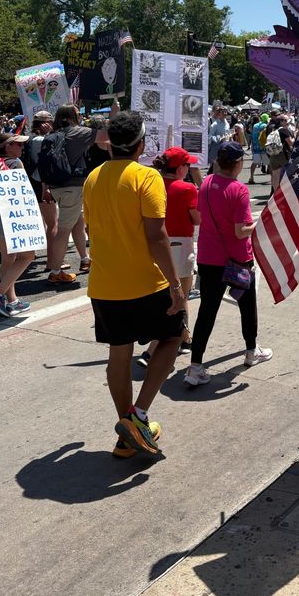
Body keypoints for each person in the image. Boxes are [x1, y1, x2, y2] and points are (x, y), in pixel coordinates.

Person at [83, 111, 186, 458]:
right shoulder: (147, 177)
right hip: (147, 282)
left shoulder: (93, 177)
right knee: (173, 337)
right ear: (141, 144)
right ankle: (138, 417)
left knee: (119, 354)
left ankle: (127, 430)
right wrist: (176, 285)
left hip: (104, 284)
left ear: (110, 143)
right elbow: (157, 236)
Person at [184, 141, 272, 386]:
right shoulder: (239, 189)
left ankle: (195, 366)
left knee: (207, 311)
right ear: (237, 164)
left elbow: (201, 217)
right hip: (237, 259)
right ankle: (251, 351)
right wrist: (260, 222)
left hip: (209, 258)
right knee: (247, 306)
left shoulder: (206, 184)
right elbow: (241, 231)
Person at [136, 146, 201, 367]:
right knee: (180, 296)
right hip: (180, 244)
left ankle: (185, 337)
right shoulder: (187, 189)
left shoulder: (149, 184)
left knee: (170, 295)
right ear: (180, 167)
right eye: (188, 165)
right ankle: (152, 349)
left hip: (154, 244)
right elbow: (196, 219)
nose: (190, 168)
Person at [0, 132, 37, 318]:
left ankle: (12, 301)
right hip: (9, 218)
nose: (22, 148)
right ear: (8, 146)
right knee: (28, 256)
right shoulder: (15, 164)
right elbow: (21, 194)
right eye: (18, 145)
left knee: (8, 259)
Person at [43, 104, 96, 286]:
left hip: (56, 185)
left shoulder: (51, 135)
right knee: (63, 229)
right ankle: (56, 271)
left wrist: (46, 188)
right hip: (72, 187)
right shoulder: (78, 132)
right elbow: (106, 136)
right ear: (73, 115)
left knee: (78, 223)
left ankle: (85, 259)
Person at [23, 110, 59, 269]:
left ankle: (26, 258)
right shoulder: (40, 140)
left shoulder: (28, 139)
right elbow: (43, 168)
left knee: (38, 222)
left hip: (30, 185)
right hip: (40, 185)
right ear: (46, 123)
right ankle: (53, 262)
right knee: (53, 224)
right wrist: (47, 188)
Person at [207, 105, 231, 172]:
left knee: (224, 167)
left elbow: (228, 134)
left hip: (225, 147)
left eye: (226, 112)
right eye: (223, 112)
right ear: (219, 113)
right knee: (216, 167)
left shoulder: (227, 123)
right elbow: (210, 136)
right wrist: (218, 138)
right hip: (216, 148)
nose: (225, 113)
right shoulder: (215, 124)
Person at [248, 113, 269, 184]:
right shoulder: (265, 126)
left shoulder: (255, 125)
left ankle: (251, 177)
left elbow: (252, 135)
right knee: (269, 163)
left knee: (255, 162)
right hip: (263, 146)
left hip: (255, 146)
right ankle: (273, 179)